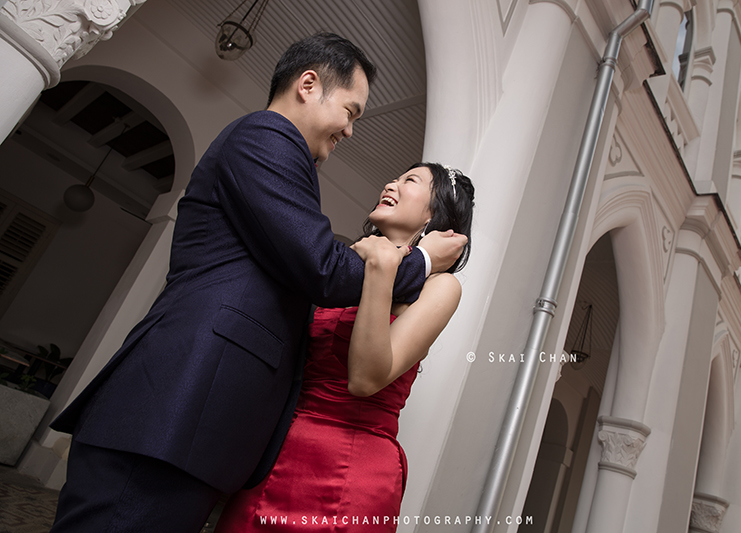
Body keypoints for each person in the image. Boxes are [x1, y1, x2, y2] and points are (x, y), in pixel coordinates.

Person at [48, 33, 466, 533]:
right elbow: (324, 269)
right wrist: (418, 259)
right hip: (174, 412)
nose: (351, 131)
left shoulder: (296, 171)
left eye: (411, 182)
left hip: (215, 430)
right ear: (309, 85)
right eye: (351, 112)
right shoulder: (266, 136)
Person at [214, 162, 474, 532]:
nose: (391, 183)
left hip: (352, 469)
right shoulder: (350, 262)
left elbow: (366, 379)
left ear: (434, 214)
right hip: (279, 452)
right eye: (395, 176)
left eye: (410, 181)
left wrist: (384, 266)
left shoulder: (441, 288)